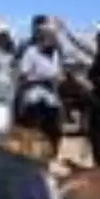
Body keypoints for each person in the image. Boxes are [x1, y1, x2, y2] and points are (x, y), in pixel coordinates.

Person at [57, 20, 100, 166]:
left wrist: (83, 85)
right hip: (98, 105)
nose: (96, 39)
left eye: (99, 36)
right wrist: (68, 33)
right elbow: (83, 47)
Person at [16, 16, 65, 156]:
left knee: (56, 129)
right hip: (34, 96)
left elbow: (58, 71)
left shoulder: (55, 53)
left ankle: (52, 155)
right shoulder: (31, 53)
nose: (53, 40)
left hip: (51, 96)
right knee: (34, 130)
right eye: (50, 37)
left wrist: (59, 78)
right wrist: (41, 79)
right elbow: (23, 76)